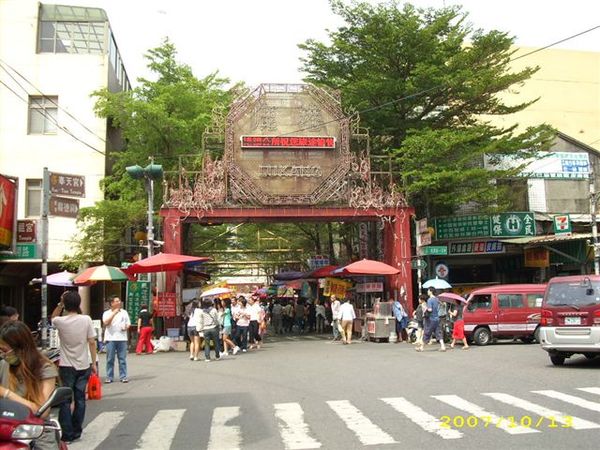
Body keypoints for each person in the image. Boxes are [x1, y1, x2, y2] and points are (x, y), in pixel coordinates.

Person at [0, 321, 59, 449]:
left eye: (5, 350)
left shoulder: (45, 368)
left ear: (20, 347)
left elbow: (41, 411)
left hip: (34, 430)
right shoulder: (3, 365)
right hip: (5, 427)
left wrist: (6, 393)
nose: (3, 355)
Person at [50, 290, 97, 444]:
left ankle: (67, 434)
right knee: (80, 399)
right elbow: (91, 342)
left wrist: (60, 303)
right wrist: (94, 362)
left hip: (66, 365)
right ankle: (77, 431)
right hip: (83, 364)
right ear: (78, 303)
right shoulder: (86, 319)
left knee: (65, 400)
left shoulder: (60, 321)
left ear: (65, 305)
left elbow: (52, 318)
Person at [102, 295, 131, 383]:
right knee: (110, 359)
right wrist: (114, 313)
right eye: (117, 301)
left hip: (122, 338)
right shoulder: (106, 313)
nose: (119, 302)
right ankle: (109, 377)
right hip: (110, 338)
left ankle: (123, 376)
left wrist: (126, 327)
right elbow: (106, 323)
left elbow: (128, 323)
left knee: (122, 359)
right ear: (112, 303)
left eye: (119, 301)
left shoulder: (124, 312)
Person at [417, 288, 446, 352]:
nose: (427, 292)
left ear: (431, 291)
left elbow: (430, 310)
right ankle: (443, 346)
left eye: (428, 290)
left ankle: (421, 347)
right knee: (438, 332)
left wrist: (425, 308)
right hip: (437, 318)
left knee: (427, 333)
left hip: (430, 319)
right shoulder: (437, 299)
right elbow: (441, 305)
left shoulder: (430, 300)